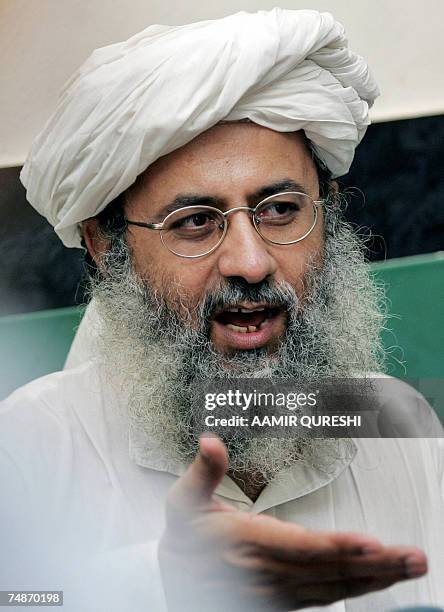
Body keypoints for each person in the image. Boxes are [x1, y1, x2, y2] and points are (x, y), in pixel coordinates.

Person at [1, 8, 443, 612]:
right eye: (194, 223)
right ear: (109, 248)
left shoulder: (393, 418)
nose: (251, 262)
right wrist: (158, 583)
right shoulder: (34, 441)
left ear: (328, 210)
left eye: (280, 209)